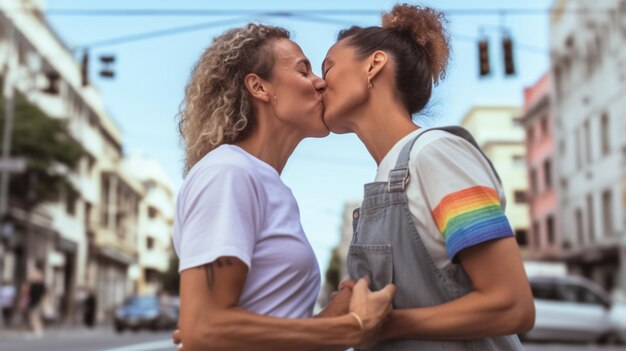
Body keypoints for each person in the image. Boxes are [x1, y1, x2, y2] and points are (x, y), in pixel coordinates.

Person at [319, 3, 535, 350]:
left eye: (327, 67)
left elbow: (512, 304)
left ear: (374, 65)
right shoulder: (390, 175)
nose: (318, 82)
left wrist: (380, 325)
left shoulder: (435, 153)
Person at [173, 23, 395, 351]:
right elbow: (204, 328)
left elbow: (261, 336)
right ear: (260, 88)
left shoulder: (266, 183)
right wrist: (351, 329)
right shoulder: (229, 173)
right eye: (304, 71)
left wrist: (330, 319)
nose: (320, 82)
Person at [27, 268, 46, 337]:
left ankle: (38, 330)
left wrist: (44, 303)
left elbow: (44, 294)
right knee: (32, 316)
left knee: (35, 316)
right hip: (31, 302)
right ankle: (35, 329)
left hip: (38, 302)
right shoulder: (31, 284)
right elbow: (27, 293)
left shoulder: (41, 285)